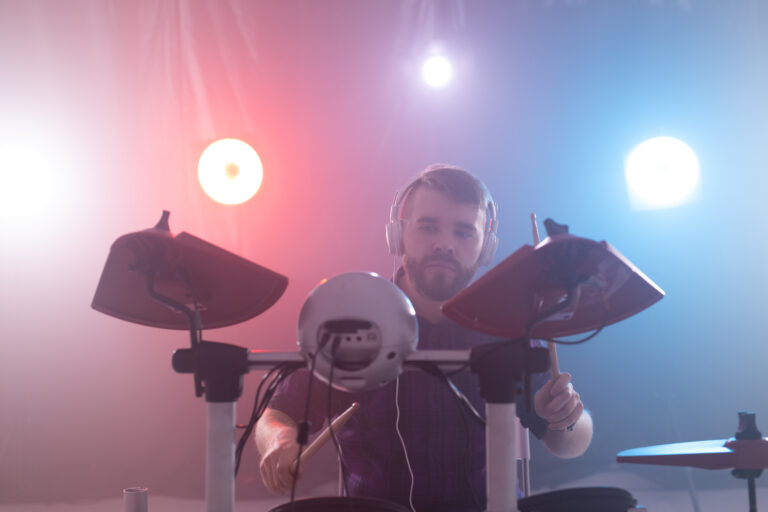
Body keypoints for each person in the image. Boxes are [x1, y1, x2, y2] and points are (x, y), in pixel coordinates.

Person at [255, 164, 593, 511]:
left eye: (463, 232)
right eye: (428, 227)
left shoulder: (507, 327)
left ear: (485, 248)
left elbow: (569, 443)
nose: (444, 244)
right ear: (399, 235)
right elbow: (279, 412)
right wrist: (279, 441)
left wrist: (566, 419)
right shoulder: (355, 319)